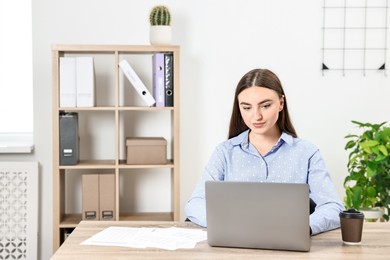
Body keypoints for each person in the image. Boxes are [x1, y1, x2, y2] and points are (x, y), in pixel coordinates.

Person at [185, 68, 345, 235]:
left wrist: (303, 227)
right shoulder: (224, 152)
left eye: (265, 106)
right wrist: (225, 224)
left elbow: (333, 207)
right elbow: (195, 203)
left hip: (288, 244)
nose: (256, 116)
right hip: (235, 245)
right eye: (247, 108)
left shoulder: (307, 153)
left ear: (281, 103)